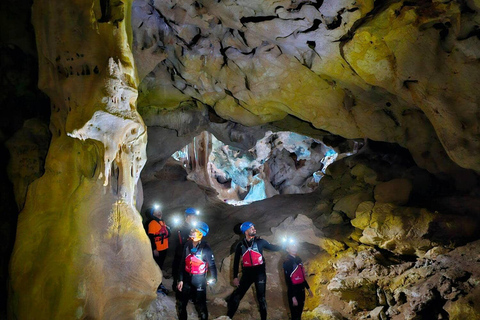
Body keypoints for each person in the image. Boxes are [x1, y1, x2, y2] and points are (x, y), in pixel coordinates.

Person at [227, 221, 282, 320]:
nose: (254, 229)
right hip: (247, 274)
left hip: (259, 273)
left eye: (254, 227)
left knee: (261, 298)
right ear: (246, 231)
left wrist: (284, 245)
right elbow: (235, 262)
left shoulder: (260, 242)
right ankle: (228, 317)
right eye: (251, 228)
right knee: (236, 296)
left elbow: (273, 248)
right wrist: (235, 277)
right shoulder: (240, 245)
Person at [177, 221, 217, 320]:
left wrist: (213, 278)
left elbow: (212, 265)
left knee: (201, 305)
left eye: (194, 230)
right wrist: (180, 279)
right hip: (187, 278)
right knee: (182, 304)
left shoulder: (206, 248)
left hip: (199, 279)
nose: (191, 230)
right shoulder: (187, 245)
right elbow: (182, 263)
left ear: (200, 233)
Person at [283, 241, 313, 320]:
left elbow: (302, 276)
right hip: (294, 290)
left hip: (301, 289)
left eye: (295, 246)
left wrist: (308, 289)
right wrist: (293, 297)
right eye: (291, 246)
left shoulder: (298, 259)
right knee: (295, 315)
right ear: (287, 249)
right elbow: (288, 280)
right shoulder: (287, 262)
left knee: (299, 313)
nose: (294, 248)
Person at [171, 207, 199, 290]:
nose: (195, 218)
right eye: (193, 216)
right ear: (188, 216)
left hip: (189, 251)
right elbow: (177, 239)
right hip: (181, 250)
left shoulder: (193, 227)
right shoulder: (181, 227)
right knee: (179, 267)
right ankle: (176, 284)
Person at [147, 205, 171, 294]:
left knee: (160, 266)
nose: (159, 212)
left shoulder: (162, 222)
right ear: (153, 214)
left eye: (160, 210)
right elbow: (151, 237)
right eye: (157, 211)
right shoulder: (153, 223)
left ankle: (158, 284)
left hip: (164, 248)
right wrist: (154, 249)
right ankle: (156, 285)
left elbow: (167, 234)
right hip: (158, 249)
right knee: (156, 267)